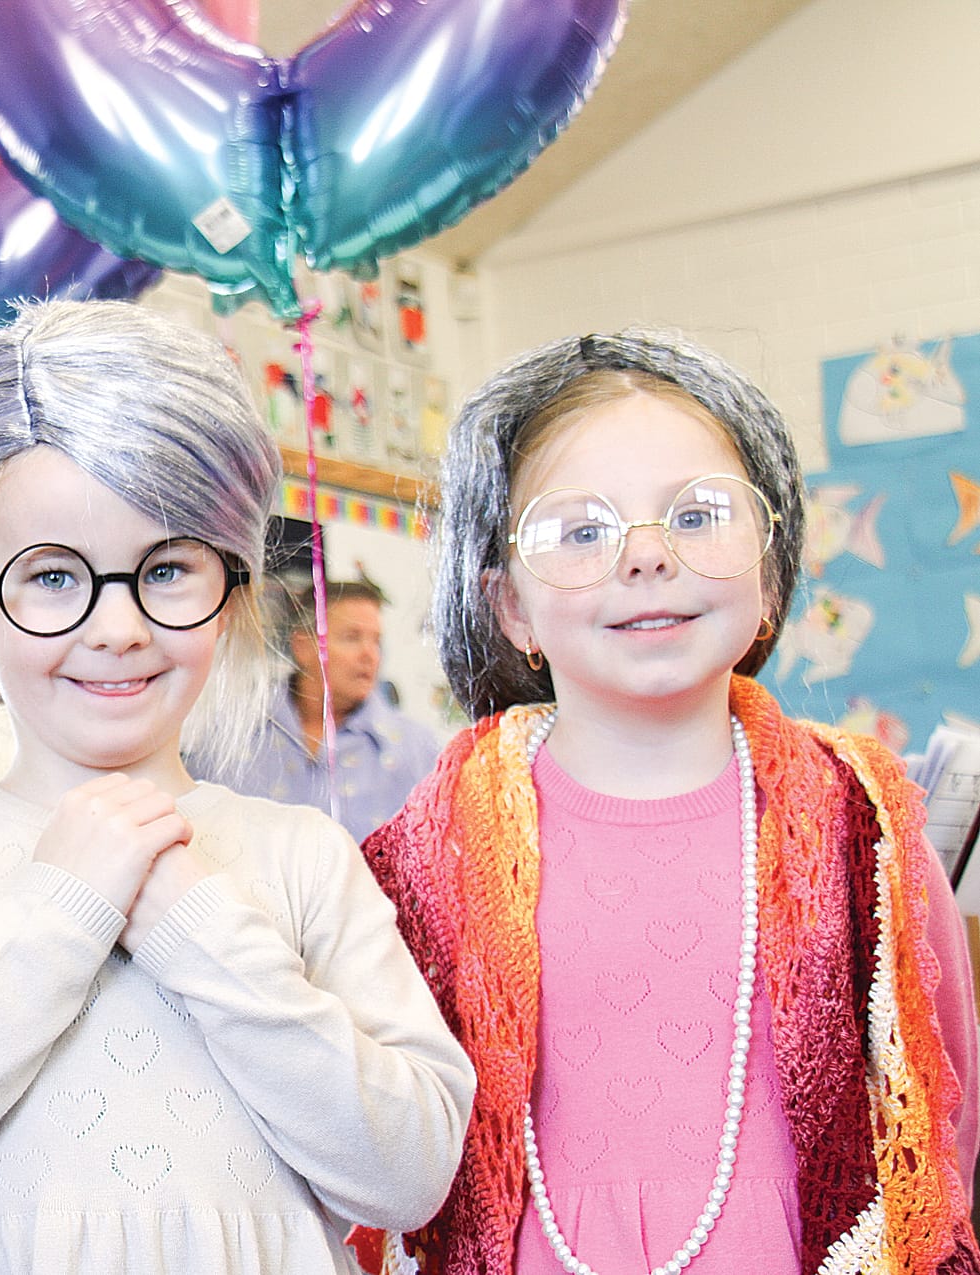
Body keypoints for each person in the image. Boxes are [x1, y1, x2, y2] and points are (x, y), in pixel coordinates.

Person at [0, 299, 475, 1273]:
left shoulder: (298, 858)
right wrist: (59, 908)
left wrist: (200, 926)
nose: (116, 628)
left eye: (165, 570)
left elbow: (405, 1173)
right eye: (52, 577)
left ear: (233, 594)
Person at [356, 329, 980, 1274]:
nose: (646, 557)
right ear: (510, 607)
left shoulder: (865, 827)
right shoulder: (424, 859)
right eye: (580, 530)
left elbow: (944, 1115)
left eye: (696, 516)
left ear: (769, 569)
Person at [195, 577, 440, 841]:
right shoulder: (230, 734)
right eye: (352, 637)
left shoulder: (417, 751)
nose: (369, 654)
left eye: (376, 641)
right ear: (303, 645)